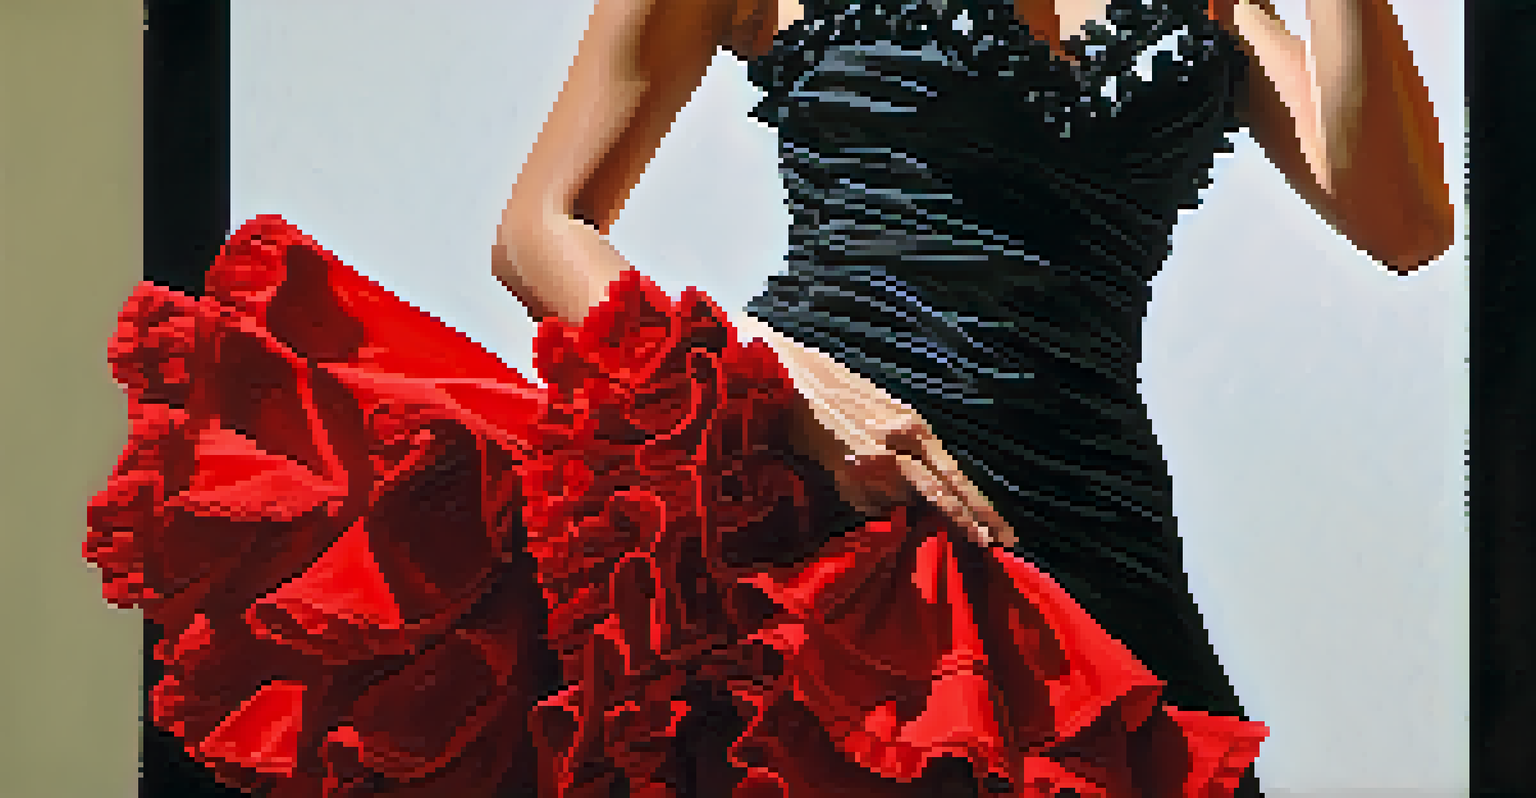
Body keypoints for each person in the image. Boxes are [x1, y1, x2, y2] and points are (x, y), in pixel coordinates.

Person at [87, 0, 1451, 797]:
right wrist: (784, 386)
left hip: (1087, 526)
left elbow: (1405, 223)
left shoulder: (1220, 10)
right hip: (817, 514)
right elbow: (542, 231)